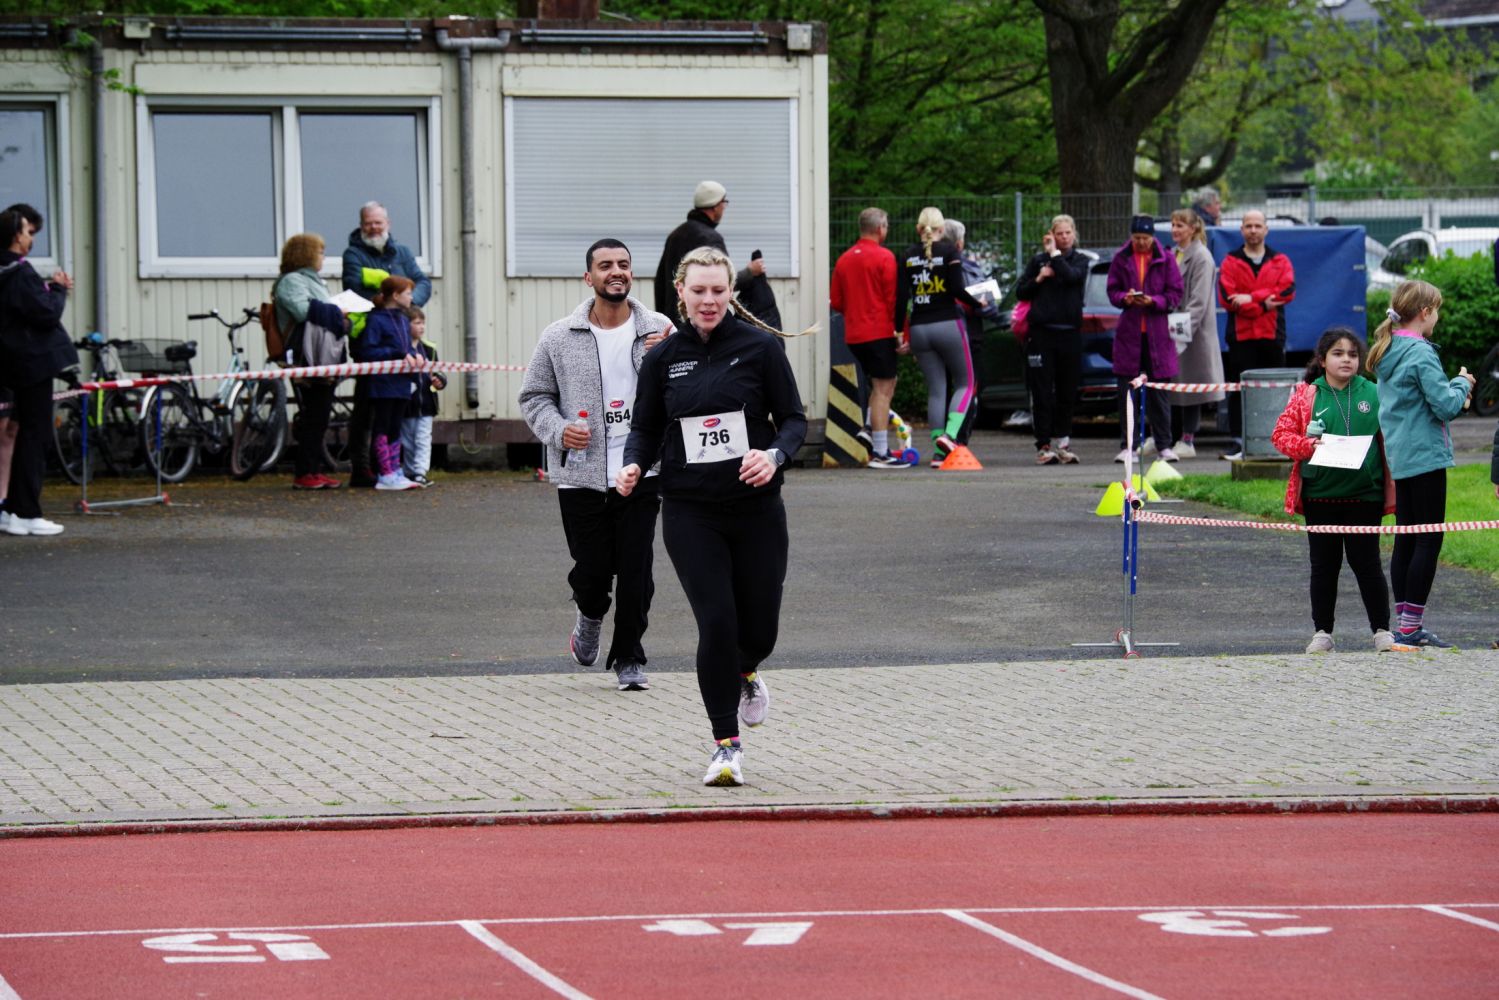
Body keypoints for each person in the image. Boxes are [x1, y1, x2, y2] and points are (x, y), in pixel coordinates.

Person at [617, 245, 806, 787]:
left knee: (760, 631)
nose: (708, 301)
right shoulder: (663, 358)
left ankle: (747, 669)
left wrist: (774, 455)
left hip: (756, 509)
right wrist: (633, 464)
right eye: (698, 291)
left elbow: (793, 420)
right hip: (690, 511)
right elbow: (645, 427)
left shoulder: (760, 348)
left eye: (718, 291)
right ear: (680, 291)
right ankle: (726, 746)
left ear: (731, 293)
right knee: (717, 623)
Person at [519, 238, 674, 692]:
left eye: (623, 264)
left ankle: (629, 656)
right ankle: (589, 615)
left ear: (632, 273)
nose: (616, 271)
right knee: (592, 571)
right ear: (589, 277)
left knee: (636, 570)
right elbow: (534, 396)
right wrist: (559, 430)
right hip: (581, 474)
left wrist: (670, 355)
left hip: (642, 469)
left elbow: (686, 387)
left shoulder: (660, 330)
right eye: (605, 265)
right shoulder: (558, 336)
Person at [1271, 328, 1395, 654]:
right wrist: (1307, 445)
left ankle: (1382, 631)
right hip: (1320, 496)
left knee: (1368, 564)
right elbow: (1280, 436)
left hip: (1365, 496)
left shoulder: (1375, 392)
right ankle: (1322, 632)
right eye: (1338, 353)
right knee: (1324, 567)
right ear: (1322, 360)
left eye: (1352, 354)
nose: (1346, 360)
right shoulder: (1306, 395)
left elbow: (1396, 433)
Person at [1367, 280, 1476, 650]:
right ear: (1426, 312)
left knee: (1407, 537)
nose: (1438, 317)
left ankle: (1404, 625)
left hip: (1400, 455)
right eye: (1437, 310)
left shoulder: (1389, 348)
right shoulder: (1420, 352)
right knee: (1428, 538)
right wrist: (1461, 383)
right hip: (1426, 455)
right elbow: (1445, 405)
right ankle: (1411, 628)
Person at [0, 204, 78, 536]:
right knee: (36, 436)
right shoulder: (20, 272)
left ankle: (11, 511)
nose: (31, 239)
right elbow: (46, 314)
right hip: (34, 363)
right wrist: (58, 289)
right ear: (16, 236)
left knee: (21, 435)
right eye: (28, 232)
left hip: (12, 362)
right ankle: (27, 512)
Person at [342, 202, 432, 488]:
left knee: (393, 416)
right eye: (368, 223)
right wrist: (388, 293)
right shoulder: (353, 254)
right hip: (369, 339)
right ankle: (363, 469)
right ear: (361, 225)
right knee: (366, 411)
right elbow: (353, 285)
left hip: (399, 337)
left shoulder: (402, 252)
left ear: (388, 223)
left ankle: (390, 469)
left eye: (378, 222)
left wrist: (409, 304)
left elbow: (422, 282)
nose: (374, 228)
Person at [895, 207, 985, 467]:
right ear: (942, 229)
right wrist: (977, 302)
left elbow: (901, 299)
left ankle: (938, 451)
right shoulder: (949, 252)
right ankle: (950, 435)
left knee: (936, 389)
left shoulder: (907, 256)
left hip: (919, 328)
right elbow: (957, 289)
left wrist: (899, 332)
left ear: (918, 229)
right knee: (967, 383)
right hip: (948, 324)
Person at [830, 207, 907, 469]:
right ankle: (881, 452)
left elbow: (836, 301)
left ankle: (869, 429)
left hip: (855, 335)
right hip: (879, 331)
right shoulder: (884, 257)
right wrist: (900, 332)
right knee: (884, 388)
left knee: (880, 385)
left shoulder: (844, 259)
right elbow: (892, 298)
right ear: (880, 228)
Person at [1218, 210, 1296, 460]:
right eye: (1248, 225)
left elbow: (1286, 291)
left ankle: (1278, 440)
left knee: (1276, 391)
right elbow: (1228, 299)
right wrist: (1264, 303)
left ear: (1266, 229)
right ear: (1242, 229)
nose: (1253, 230)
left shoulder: (1280, 260)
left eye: (1257, 225)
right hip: (1240, 337)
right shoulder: (1230, 261)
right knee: (1239, 389)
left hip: (1272, 335)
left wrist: (1251, 299)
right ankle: (1238, 441)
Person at [1106, 215, 1183, 462]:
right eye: (1137, 238)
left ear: (1152, 237)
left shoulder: (1166, 259)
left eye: (1145, 238)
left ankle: (1164, 445)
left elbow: (1175, 294)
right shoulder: (1121, 258)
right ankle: (1129, 447)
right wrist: (1124, 298)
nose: (1141, 242)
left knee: (1159, 392)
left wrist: (1154, 301)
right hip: (1129, 335)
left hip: (1158, 335)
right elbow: (1112, 291)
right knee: (1127, 392)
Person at [274, 232, 348, 491]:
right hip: (305, 355)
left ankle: (314, 470)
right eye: (320, 252)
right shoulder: (291, 281)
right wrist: (337, 313)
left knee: (320, 414)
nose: (323, 257)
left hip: (321, 353)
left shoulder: (314, 281)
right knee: (314, 414)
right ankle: (305, 471)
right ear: (306, 254)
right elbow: (302, 311)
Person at [1015, 214, 1088, 464]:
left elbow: (1071, 277)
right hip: (1042, 334)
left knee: (1067, 390)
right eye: (1060, 233)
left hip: (1070, 333)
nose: (1064, 237)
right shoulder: (1038, 261)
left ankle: (1063, 442)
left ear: (1074, 234)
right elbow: (1021, 291)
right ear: (1052, 235)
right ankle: (1043, 444)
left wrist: (1055, 256)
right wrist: (1039, 278)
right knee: (1042, 391)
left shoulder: (1081, 260)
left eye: (1068, 233)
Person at [652, 180, 769, 318]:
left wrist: (663, 319)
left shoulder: (675, 235)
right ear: (715, 206)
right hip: (700, 319)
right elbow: (722, 282)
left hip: (673, 320)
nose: (724, 207)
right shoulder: (710, 238)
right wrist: (750, 271)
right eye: (724, 203)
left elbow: (660, 283)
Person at [1162, 208, 1225, 459]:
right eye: (1173, 225)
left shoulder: (1202, 257)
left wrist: (1181, 331)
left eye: (1180, 225)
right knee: (1175, 385)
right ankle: (1169, 437)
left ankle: (1188, 438)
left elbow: (1198, 302)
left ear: (1193, 228)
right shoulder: (1173, 254)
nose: (1175, 230)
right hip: (1173, 327)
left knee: (1191, 386)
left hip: (1192, 332)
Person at [355, 275, 423, 491]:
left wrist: (415, 355)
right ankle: (384, 473)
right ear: (395, 295)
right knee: (383, 426)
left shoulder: (403, 320)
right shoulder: (376, 320)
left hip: (402, 383)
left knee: (395, 427)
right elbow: (368, 351)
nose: (411, 297)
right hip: (383, 384)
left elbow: (407, 348)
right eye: (408, 293)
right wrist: (396, 354)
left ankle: (394, 469)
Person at [400, 306, 446, 487]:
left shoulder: (429, 349)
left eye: (423, 323)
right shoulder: (401, 350)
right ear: (407, 325)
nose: (421, 327)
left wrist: (440, 380)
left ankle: (420, 472)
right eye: (417, 323)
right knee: (408, 440)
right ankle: (409, 471)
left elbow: (440, 372)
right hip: (407, 403)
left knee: (423, 438)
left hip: (427, 403)